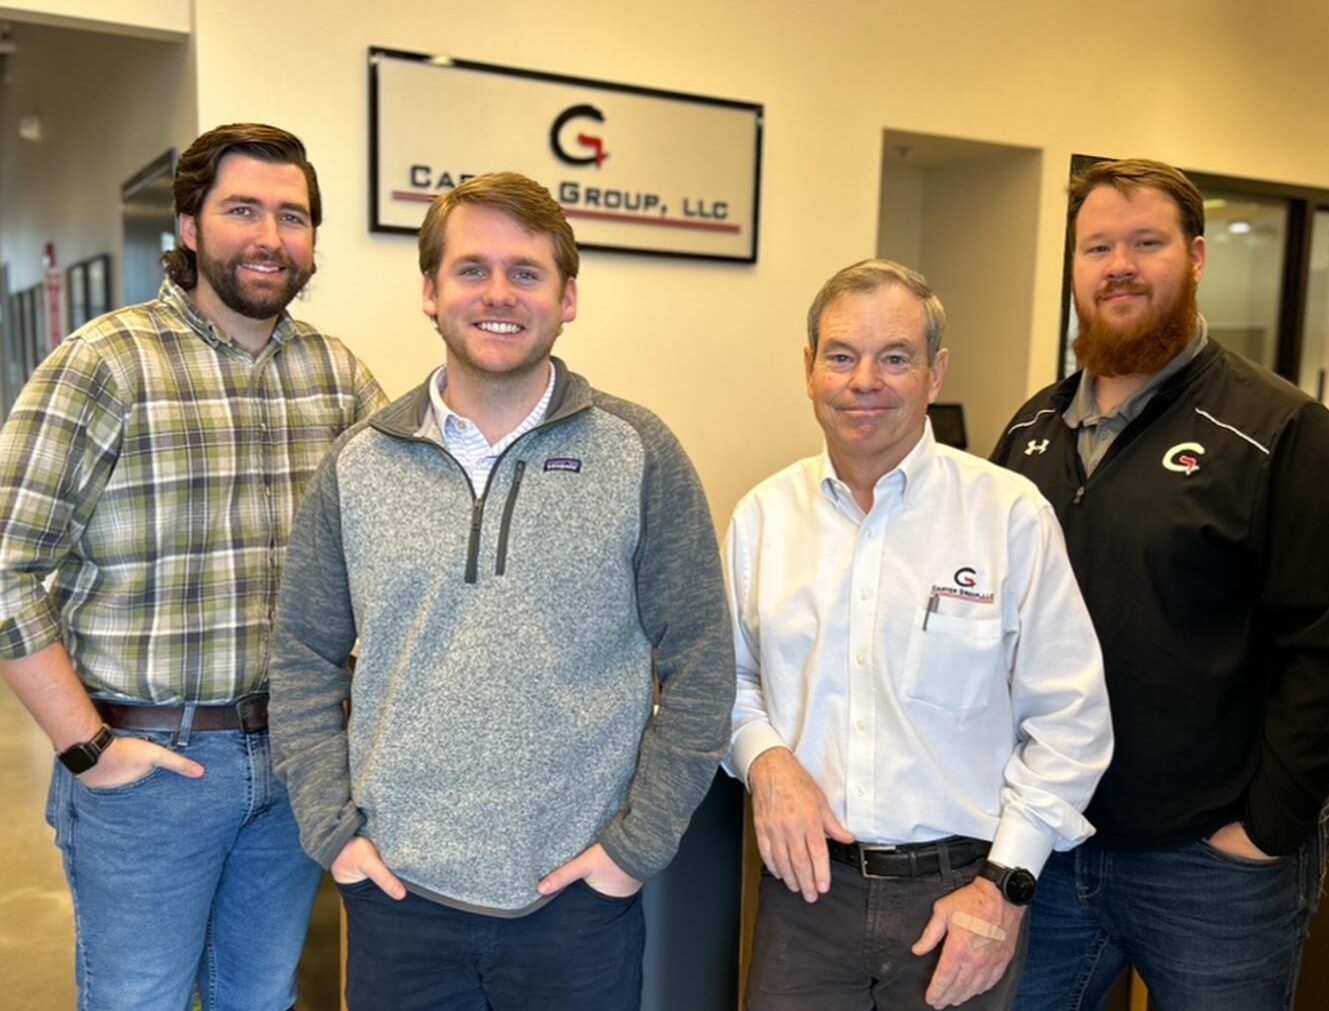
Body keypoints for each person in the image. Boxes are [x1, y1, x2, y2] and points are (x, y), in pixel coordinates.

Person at [268, 171, 734, 1011]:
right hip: (398, 899)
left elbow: (702, 660)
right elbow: (302, 654)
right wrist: (336, 836)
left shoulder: (638, 451)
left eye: (526, 272)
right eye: (471, 269)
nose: (498, 294)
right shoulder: (360, 462)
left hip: (576, 905)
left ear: (567, 296)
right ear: (429, 290)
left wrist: (634, 849)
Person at [0, 123, 385, 1010]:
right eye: (242, 209)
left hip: (294, 760)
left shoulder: (339, 378)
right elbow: (9, 566)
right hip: (150, 765)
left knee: (261, 997)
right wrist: (88, 745)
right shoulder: (105, 362)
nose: (269, 236)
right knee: (140, 1000)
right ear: (189, 225)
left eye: (293, 216)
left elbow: (394, 554)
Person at [725, 258, 1112, 1011]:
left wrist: (1003, 888)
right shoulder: (762, 518)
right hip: (804, 894)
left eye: (893, 357)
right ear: (809, 369)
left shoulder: (1007, 516)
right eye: (840, 355)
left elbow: (1070, 723)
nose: (862, 379)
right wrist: (765, 759)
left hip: (959, 899)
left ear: (934, 373)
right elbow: (727, 680)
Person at [991, 158, 1329, 1011]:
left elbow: (1320, 643)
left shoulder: (1279, 430)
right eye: (1097, 246)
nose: (1119, 266)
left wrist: (1264, 830)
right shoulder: (1030, 431)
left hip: (1208, 866)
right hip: (1048, 849)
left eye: (1146, 242)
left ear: (1197, 256)